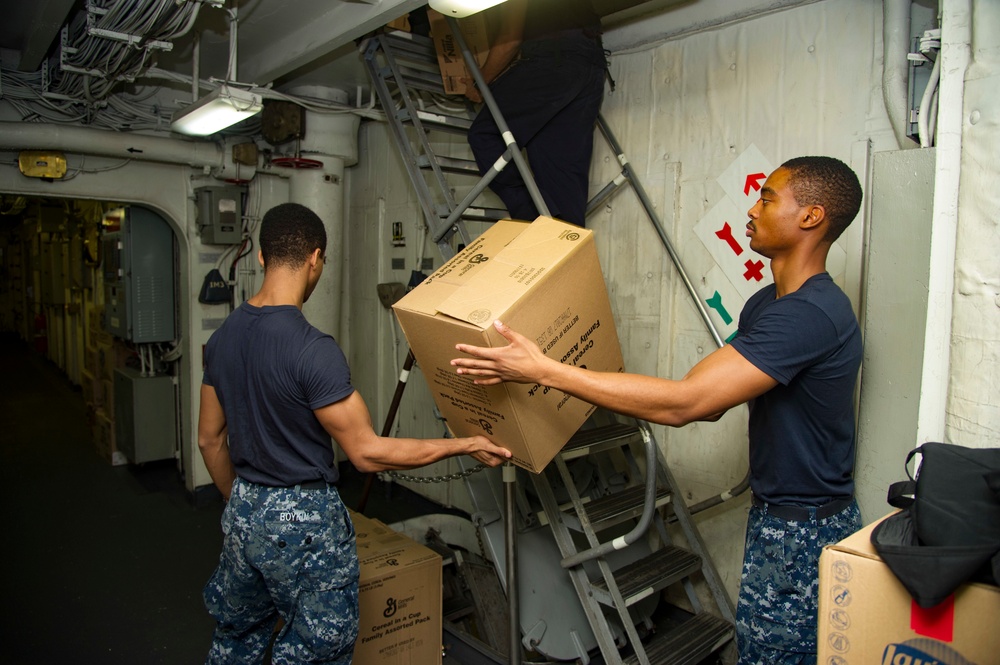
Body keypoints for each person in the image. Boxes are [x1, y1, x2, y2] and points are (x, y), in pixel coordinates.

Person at [451, 156, 865, 664]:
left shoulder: (810, 315)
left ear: (811, 217)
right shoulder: (767, 305)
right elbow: (709, 402)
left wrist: (545, 370)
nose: (752, 210)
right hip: (775, 514)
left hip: (805, 527)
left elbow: (687, 403)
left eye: (768, 197)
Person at [197, 202, 511, 664]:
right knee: (313, 651)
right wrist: (465, 442)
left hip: (245, 508)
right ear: (316, 259)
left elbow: (210, 439)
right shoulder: (312, 349)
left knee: (237, 636)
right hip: (304, 522)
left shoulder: (222, 338)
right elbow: (366, 453)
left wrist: (242, 505)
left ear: (261, 258)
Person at [464, 0, 607, 226]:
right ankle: (567, 245)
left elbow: (510, 39)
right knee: (562, 175)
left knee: (486, 135)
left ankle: (538, 220)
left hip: (552, 60)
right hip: (591, 68)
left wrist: (478, 83)